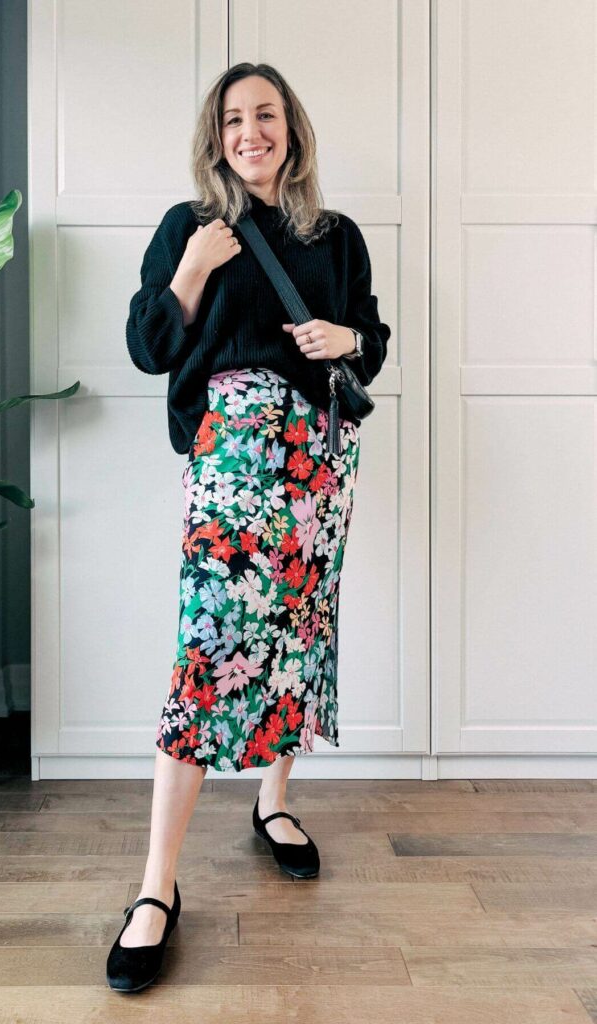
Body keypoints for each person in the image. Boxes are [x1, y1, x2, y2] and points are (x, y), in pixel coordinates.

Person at [106, 61, 391, 994]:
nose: (251, 132)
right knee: (212, 648)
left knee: (299, 630)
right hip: (232, 450)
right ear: (216, 134)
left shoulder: (335, 235)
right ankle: (155, 890)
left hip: (320, 455)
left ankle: (273, 803)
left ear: (291, 128)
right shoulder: (191, 228)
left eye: (265, 115)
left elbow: (372, 341)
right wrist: (190, 272)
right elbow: (150, 349)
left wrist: (346, 342)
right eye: (234, 119)